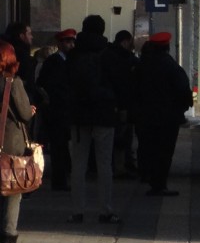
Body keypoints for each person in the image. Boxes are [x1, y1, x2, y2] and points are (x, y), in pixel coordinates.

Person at [65, 15, 120, 223]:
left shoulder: (74, 54)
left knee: (78, 164)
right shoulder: (108, 54)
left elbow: (67, 82)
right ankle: (105, 209)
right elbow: (118, 82)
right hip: (104, 114)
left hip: (79, 116)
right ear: (102, 29)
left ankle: (77, 210)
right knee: (104, 164)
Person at [134, 32, 193, 197]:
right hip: (167, 118)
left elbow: (134, 89)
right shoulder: (170, 65)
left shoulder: (142, 65)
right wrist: (181, 110)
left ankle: (147, 176)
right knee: (164, 152)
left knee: (147, 147)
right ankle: (159, 185)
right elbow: (182, 89)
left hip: (145, 116)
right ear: (167, 46)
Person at [0, 41, 35, 243]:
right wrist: (31, 110)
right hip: (10, 144)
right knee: (13, 192)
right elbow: (24, 113)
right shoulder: (12, 82)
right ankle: (8, 242)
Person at [37, 29, 75, 191]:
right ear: (59, 43)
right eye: (67, 41)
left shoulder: (67, 60)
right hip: (58, 109)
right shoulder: (54, 61)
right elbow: (45, 83)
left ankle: (63, 176)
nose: (71, 44)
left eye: (72, 41)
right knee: (59, 145)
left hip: (64, 108)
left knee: (62, 145)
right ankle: (59, 180)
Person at [106, 30, 139, 179]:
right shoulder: (125, 59)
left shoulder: (108, 55)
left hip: (115, 103)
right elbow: (123, 84)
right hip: (122, 104)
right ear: (125, 41)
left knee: (121, 136)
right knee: (122, 136)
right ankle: (121, 167)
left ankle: (122, 164)